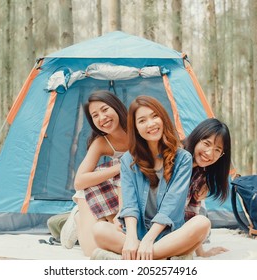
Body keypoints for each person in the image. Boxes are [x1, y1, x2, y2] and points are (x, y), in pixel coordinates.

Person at [92, 95, 200, 260]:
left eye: (155, 116)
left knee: (202, 224)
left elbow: (172, 204)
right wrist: (131, 238)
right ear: (135, 128)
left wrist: (149, 240)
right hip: (138, 231)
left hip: (168, 233)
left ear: (163, 118)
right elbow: (130, 202)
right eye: (142, 120)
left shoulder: (183, 159)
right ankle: (158, 257)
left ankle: (132, 258)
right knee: (99, 230)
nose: (151, 124)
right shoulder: (129, 159)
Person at [60, 90, 129, 257]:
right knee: (91, 252)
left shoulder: (139, 129)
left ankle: (82, 219)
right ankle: (78, 216)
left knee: (110, 238)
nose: (102, 118)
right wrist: (120, 167)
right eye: (95, 115)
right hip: (96, 189)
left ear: (117, 107)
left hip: (124, 190)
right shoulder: (101, 143)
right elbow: (79, 182)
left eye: (105, 110)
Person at [182, 117, 232, 257]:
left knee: (203, 225)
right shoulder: (174, 158)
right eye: (206, 143)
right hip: (150, 223)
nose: (210, 153)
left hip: (173, 228)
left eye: (217, 150)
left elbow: (192, 213)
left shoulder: (200, 175)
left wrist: (201, 253)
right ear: (196, 138)